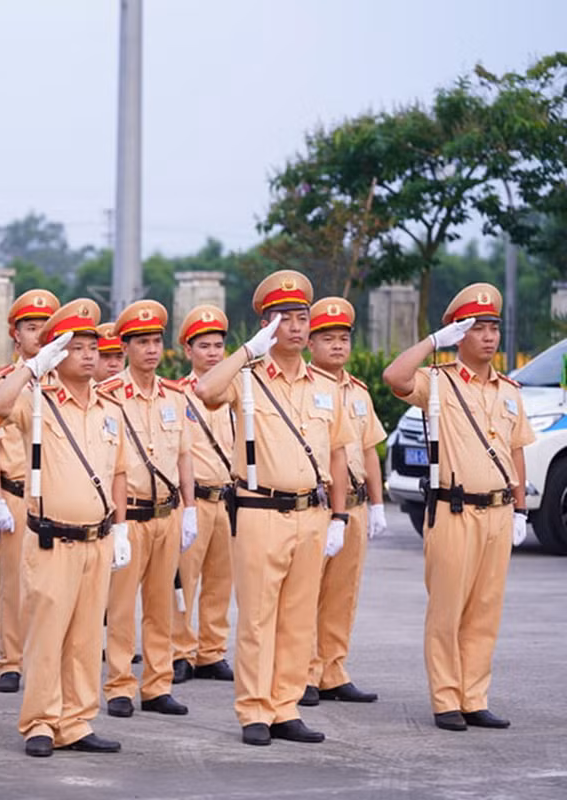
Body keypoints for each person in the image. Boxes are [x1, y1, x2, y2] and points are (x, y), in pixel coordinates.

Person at [194, 270, 352, 747]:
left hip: (311, 512)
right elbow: (206, 391)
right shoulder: (246, 379)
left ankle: (285, 707)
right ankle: (255, 709)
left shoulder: (323, 385)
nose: (297, 327)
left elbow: (339, 453)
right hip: (260, 509)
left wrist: (340, 516)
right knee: (259, 617)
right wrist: (247, 350)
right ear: (267, 325)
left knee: (298, 618)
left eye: (302, 317)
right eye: (285, 318)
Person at [382, 282, 532, 732]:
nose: (488, 337)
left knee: (485, 610)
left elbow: (516, 451)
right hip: (453, 510)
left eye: (493, 328)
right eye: (477, 328)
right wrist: (433, 342)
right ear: (459, 334)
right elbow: (394, 377)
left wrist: (520, 509)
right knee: (447, 610)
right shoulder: (438, 383)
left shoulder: (509, 390)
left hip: (499, 513)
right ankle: (447, 699)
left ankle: (474, 697)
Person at [0, 297, 128, 757]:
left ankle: (76, 721)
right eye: (75, 348)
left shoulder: (109, 408)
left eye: (92, 347)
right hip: (52, 538)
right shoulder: (37, 402)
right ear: (56, 353)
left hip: (97, 537)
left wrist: (121, 529)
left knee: (86, 638)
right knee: (47, 636)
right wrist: (32, 368)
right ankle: (41, 722)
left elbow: (119, 472)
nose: (88, 355)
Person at [101, 300, 197, 718]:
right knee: (121, 608)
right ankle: (120, 684)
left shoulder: (174, 396)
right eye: (142, 342)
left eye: (156, 341)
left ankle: (158, 685)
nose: (152, 350)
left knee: (162, 606)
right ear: (125, 347)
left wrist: (190, 508)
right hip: (129, 516)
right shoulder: (108, 396)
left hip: (166, 514)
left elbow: (184, 457)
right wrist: (114, 524)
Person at [301, 298, 387, 706]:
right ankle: (303, 673)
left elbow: (369, 451)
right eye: (328, 338)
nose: (337, 346)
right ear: (310, 343)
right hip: (318, 505)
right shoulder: (303, 388)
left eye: (343, 338)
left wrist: (378, 503)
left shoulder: (358, 392)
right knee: (306, 593)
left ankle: (333, 670)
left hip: (354, 505)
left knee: (342, 593)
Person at [0, 289, 61, 694]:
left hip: (57, 496)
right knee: (14, 585)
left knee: (53, 587)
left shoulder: (66, 381)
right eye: (32, 328)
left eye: (46, 328)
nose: (39, 335)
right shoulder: (6, 383)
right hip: (16, 494)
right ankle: (11, 661)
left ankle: (46, 658)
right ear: (16, 335)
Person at [172, 305, 236, 683]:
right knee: (184, 580)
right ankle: (180, 651)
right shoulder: (178, 396)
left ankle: (212, 651)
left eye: (218, 346)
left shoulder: (234, 394)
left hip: (227, 499)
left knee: (220, 581)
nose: (212, 353)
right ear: (188, 350)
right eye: (204, 346)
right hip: (192, 500)